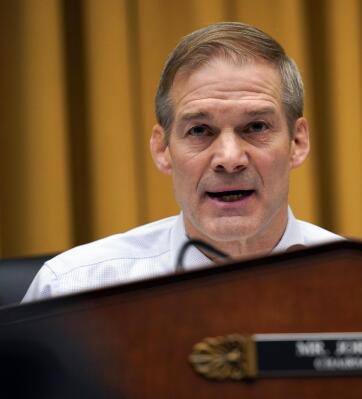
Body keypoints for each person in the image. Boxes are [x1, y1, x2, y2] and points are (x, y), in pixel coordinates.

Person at [22, 22, 341, 303]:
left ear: (297, 142)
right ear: (162, 149)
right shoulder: (72, 288)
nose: (229, 159)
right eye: (200, 130)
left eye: (256, 127)